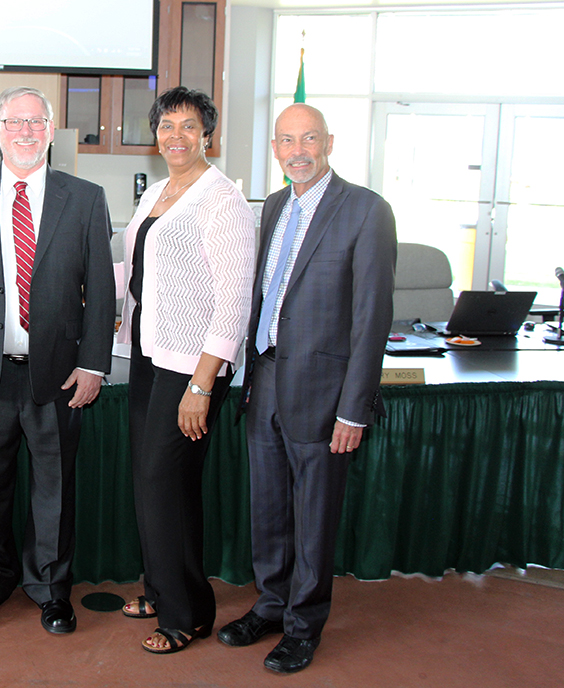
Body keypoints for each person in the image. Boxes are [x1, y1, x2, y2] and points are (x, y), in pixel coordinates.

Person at [217, 103, 396, 674]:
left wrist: (354, 409)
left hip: (324, 393)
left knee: (313, 515)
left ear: (329, 143)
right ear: (275, 148)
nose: (299, 150)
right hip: (264, 380)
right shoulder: (271, 206)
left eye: (309, 139)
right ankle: (270, 605)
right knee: (267, 507)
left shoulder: (367, 211)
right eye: (287, 140)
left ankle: (303, 625)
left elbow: (372, 319)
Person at [0, 86, 114, 635]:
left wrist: (93, 363)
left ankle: (51, 590)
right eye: (15, 122)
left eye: (36, 122)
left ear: (51, 130)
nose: (26, 132)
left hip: (58, 375)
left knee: (54, 489)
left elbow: (101, 290)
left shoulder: (84, 198)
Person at [114, 87, 255, 654]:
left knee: (162, 483)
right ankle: (162, 587)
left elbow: (234, 302)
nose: (176, 135)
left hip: (192, 366)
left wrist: (202, 383)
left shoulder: (223, 201)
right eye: (166, 125)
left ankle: (186, 615)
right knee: (159, 487)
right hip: (152, 354)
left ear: (207, 135)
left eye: (188, 126)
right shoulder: (160, 193)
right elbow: (137, 266)